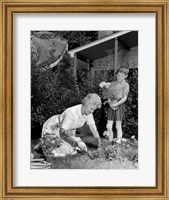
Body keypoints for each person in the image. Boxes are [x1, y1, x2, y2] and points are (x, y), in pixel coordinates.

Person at [34, 93, 102, 157]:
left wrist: (98, 141)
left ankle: (45, 144)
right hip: (55, 128)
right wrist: (77, 142)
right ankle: (43, 144)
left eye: (94, 109)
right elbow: (62, 132)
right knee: (59, 151)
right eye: (91, 109)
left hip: (68, 132)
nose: (92, 111)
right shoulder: (72, 112)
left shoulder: (89, 113)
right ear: (85, 104)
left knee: (71, 150)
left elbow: (93, 127)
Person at [103, 67, 130, 143]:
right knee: (108, 126)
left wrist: (116, 104)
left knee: (118, 126)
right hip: (111, 104)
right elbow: (108, 96)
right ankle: (110, 141)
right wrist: (110, 103)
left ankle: (118, 141)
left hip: (119, 104)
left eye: (121, 76)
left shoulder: (126, 85)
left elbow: (124, 98)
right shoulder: (112, 84)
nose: (119, 77)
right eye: (118, 75)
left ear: (126, 76)